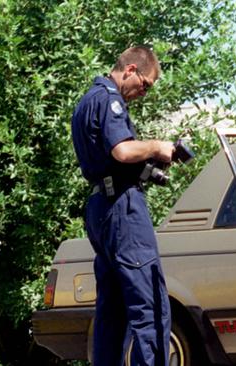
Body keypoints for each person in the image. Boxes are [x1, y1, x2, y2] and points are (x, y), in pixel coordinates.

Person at [71, 46, 174, 365]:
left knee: (111, 312)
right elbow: (123, 152)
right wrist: (157, 146)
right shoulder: (109, 99)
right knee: (151, 306)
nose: (143, 94)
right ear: (130, 70)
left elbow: (109, 160)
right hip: (123, 212)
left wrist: (151, 165)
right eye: (145, 85)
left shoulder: (86, 101)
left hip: (101, 208)